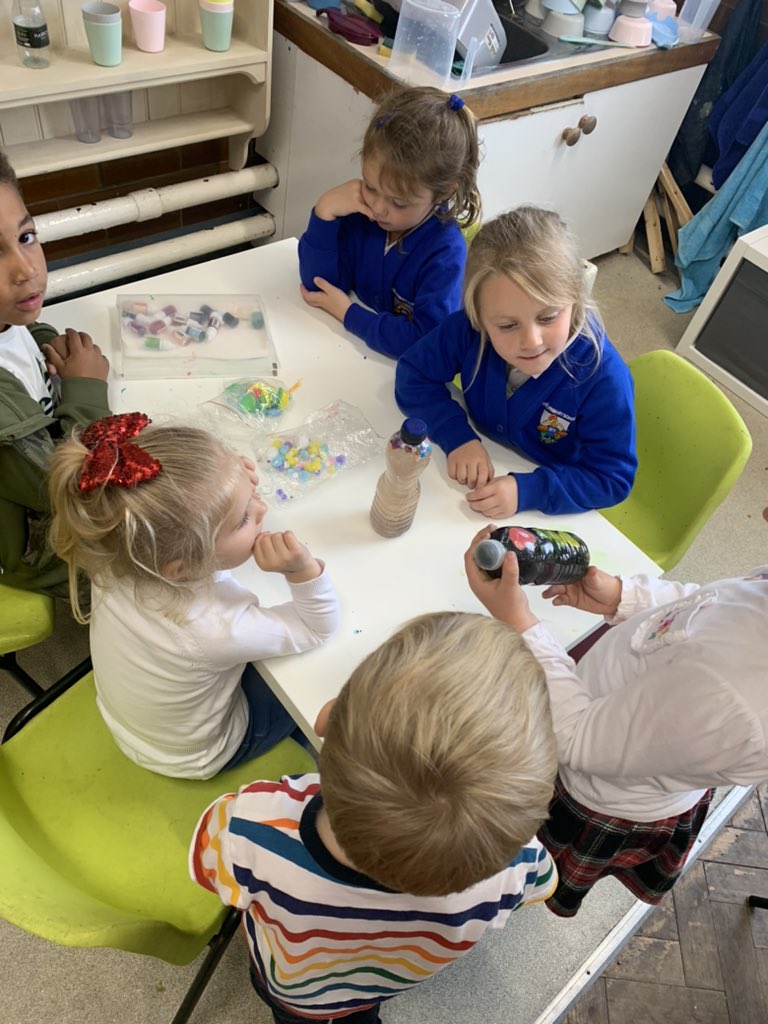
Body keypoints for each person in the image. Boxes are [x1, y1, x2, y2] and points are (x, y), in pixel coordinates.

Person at [190, 611, 558, 1022]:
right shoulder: (516, 865)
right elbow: (540, 888)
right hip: (381, 983)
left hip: (293, 990)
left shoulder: (253, 825)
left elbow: (211, 870)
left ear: (327, 719)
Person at [463, 527, 768, 917]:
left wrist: (519, 623)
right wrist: (625, 597)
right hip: (605, 730)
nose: (762, 512)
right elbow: (716, 604)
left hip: (592, 784)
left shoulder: (734, 700)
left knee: (523, 859)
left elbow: (578, 739)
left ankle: (510, 889)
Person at [48, 412, 341, 779]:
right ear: (182, 567)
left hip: (133, 723)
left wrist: (228, 487)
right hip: (201, 754)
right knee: (324, 688)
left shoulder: (115, 549)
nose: (262, 507)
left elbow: (173, 504)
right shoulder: (211, 627)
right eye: (243, 519)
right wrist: (301, 572)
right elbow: (317, 627)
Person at [395, 206, 637, 518]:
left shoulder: (604, 378)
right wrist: (457, 437)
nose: (532, 341)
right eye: (507, 326)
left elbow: (611, 478)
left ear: (575, 301)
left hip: (546, 495)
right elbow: (414, 373)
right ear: (478, 316)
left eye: (548, 317)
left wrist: (530, 491)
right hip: (466, 481)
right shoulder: (468, 329)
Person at [298, 86, 480, 359]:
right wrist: (324, 211)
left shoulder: (445, 253)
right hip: (352, 355)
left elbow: (424, 341)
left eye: (399, 202)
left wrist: (349, 314)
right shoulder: (362, 212)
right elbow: (319, 286)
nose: (379, 209)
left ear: (443, 192)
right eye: (370, 186)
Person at [0, 150, 111, 596]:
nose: (26, 270)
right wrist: (85, 389)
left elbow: (15, 340)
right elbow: (79, 493)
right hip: (47, 550)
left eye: (26, 236)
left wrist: (45, 337)